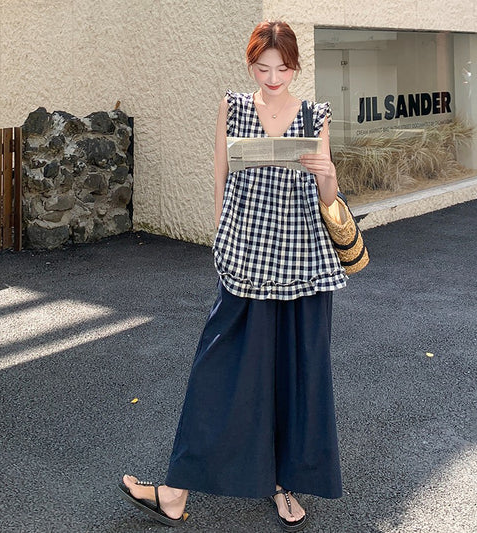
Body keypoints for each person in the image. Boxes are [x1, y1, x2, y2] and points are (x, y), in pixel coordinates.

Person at [118, 20, 347, 531]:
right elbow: (221, 177)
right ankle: (175, 491)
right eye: (263, 68)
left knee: (297, 375)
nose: (273, 78)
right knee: (217, 370)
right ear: (250, 64)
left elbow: (328, 199)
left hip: (305, 265)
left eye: (283, 69)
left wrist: (328, 175)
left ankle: (284, 483)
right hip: (245, 261)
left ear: (295, 67)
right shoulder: (234, 107)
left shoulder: (315, 114)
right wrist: (221, 239)